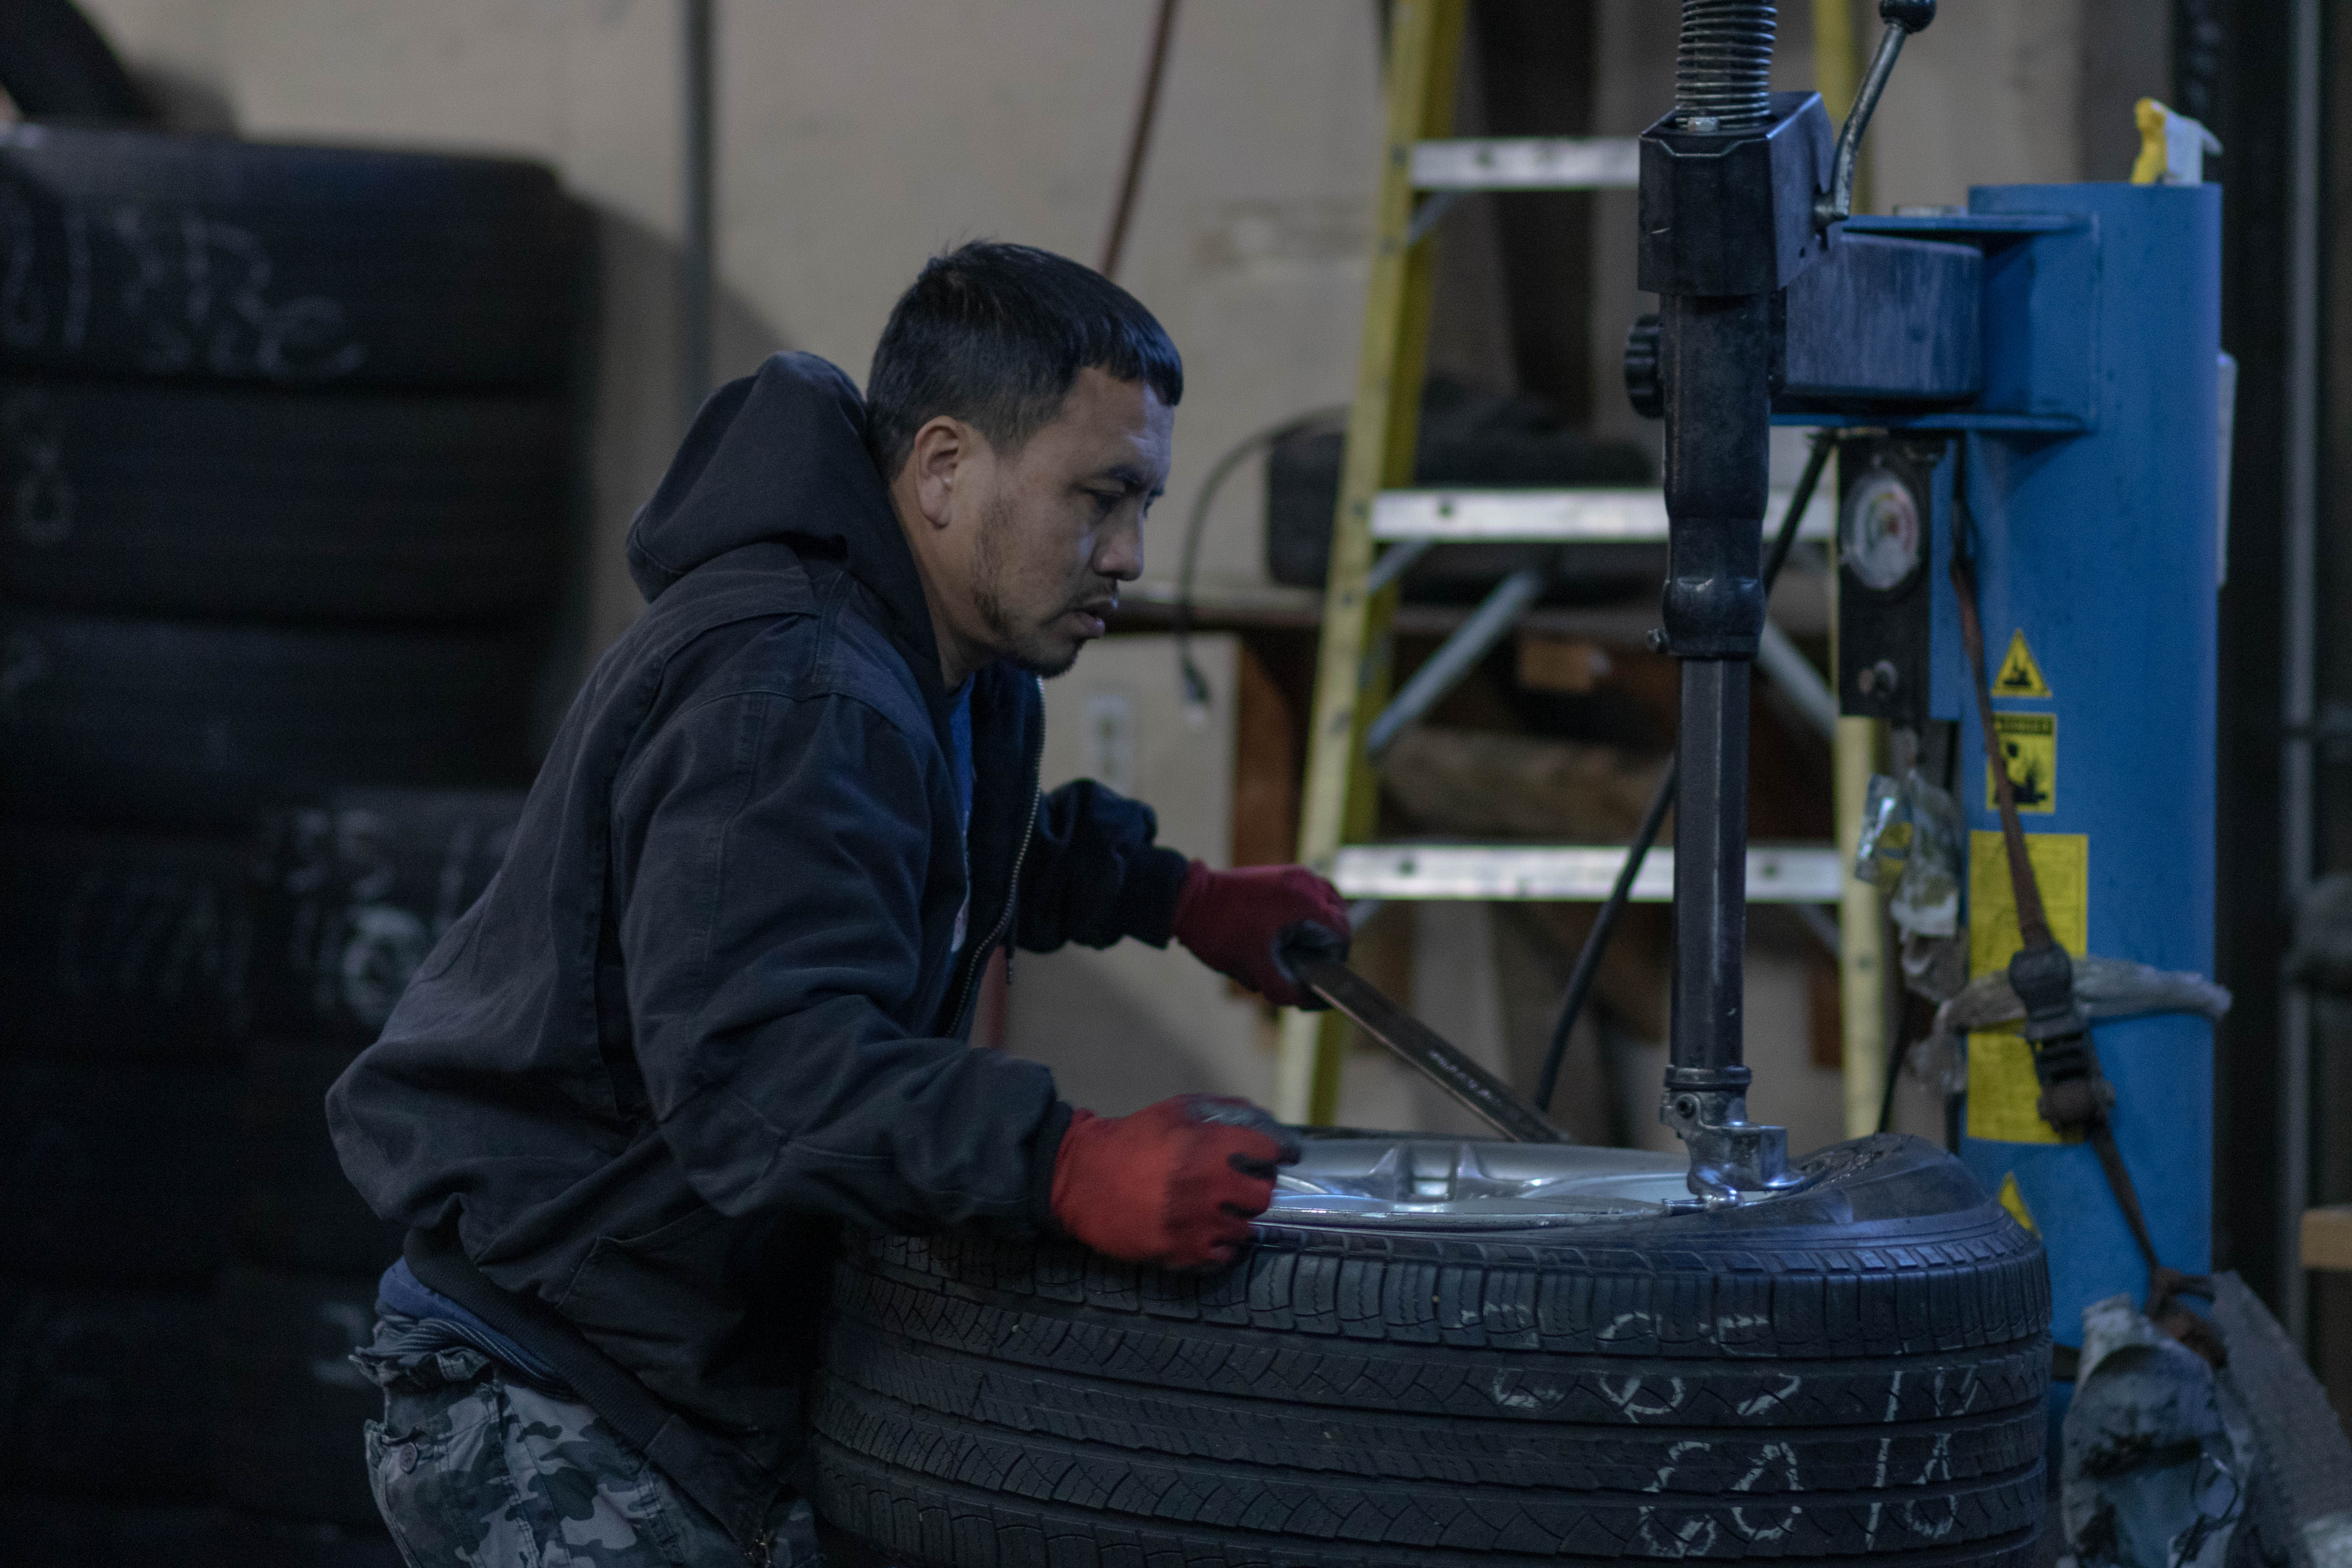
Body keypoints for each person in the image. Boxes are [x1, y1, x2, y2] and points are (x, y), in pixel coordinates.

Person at [326, 240, 1350, 1568]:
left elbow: (919, 851)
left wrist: (1177, 896)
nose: (1131, 556)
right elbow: (764, 1076)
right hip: (552, 1386)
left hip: (693, 1363)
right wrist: (1061, 1160)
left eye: (1144, 504)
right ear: (942, 470)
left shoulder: (948, 662)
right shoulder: (792, 685)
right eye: (1099, 499)